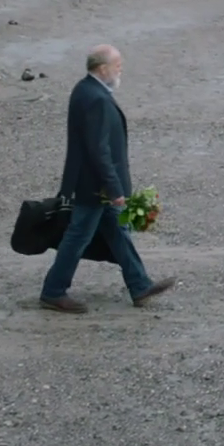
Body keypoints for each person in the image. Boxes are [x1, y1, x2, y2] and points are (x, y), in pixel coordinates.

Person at [40, 44, 175, 313]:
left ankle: (139, 286)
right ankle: (53, 291)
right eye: (117, 65)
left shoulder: (84, 89)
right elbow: (98, 149)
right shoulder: (98, 99)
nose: (120, 69)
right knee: (77, 237)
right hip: (95, 186)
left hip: (92, 183)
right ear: (102, 69)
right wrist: (114, 188)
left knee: (118, 233)